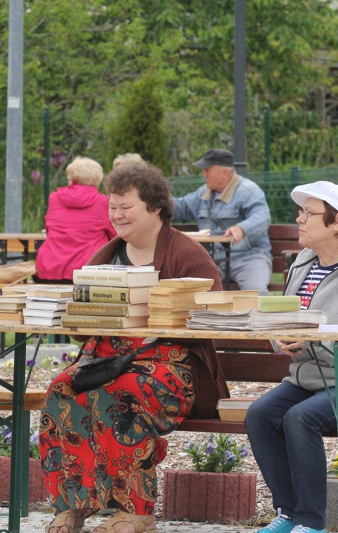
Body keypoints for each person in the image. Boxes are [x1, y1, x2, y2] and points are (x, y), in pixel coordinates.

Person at [39, 161, 228, 533]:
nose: (117, 214)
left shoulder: (187, 255)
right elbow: (81, 331)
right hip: (109, 362)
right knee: (60, 389)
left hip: (171, 370)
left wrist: (160, 318)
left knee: (118, 394)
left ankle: (137, 512)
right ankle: (71, 505)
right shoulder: (105, 257)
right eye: (113, 207)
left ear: (155, 207)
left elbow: (215, 322)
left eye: (126, 206)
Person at [245, 181, 338, 533]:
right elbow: (284, 318)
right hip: (309, 380)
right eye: (300, 212)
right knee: (260, 413)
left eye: (308, 213)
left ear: (336, 221)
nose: (299, 219)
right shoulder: (303, 263)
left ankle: (311, 523)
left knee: (300, 418)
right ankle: (287, 513)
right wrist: (279, 339)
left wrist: (315, 339)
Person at [172, 148, 272, 294]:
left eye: (207, 170)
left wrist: (241, 228)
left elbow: (263, 217)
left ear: (225, 172)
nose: (204, 174)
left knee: (256, 293)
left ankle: (259, 318)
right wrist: (156, 198)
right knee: (194, 293)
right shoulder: (202, 193)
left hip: (248, 258)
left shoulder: (249, 191)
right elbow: (181, 208)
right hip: (212, 261)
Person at [35, 156, 115, 283]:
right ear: (98, 178)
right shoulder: (103, 202)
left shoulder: (54, 198)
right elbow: (115, 235)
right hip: (87, 270)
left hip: (49, 267)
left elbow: (49, 229)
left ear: (71, 177)